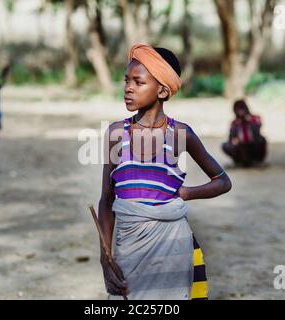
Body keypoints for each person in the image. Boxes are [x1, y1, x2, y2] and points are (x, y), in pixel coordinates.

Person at [98, 44, 232, 300]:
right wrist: (105, 257)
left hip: (172, 244)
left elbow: (222, 181)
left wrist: (184, 193)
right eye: (127, 81)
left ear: (162, 90)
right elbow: (106, 198)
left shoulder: (180, 134)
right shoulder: (117, 133)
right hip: (129, 245)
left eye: (138, 82)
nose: (128, 88)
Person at [222, 99, 267, 167]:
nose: (240, 112)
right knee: (226, 145)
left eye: (242, 109)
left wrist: (249, 122)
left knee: (262, 140)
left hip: (253, 145)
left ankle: (257, 160)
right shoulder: (234, 123)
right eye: (238, 110)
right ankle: (240, 161)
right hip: (241, 147)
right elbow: (231, 138)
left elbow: (258, 131)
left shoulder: (254, 118)